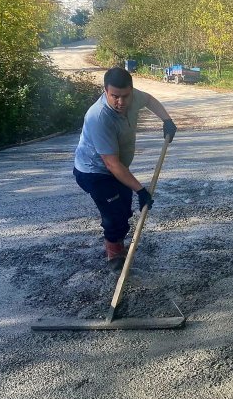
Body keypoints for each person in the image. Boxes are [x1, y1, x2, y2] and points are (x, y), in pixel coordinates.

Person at [73, 67, 177, 271]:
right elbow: (111, 163)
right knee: (114, 214)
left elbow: (149, 100)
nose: (121, 102)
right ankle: (114, 252)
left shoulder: (133, 97)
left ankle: (117, 237)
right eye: (115, 96)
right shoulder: (99, 117)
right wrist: (141, 190)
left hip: (118, 168)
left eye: (125, 96)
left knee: (124, 208)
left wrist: (167, 120)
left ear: (131, 90)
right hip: (94, 172)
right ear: (105, 91)